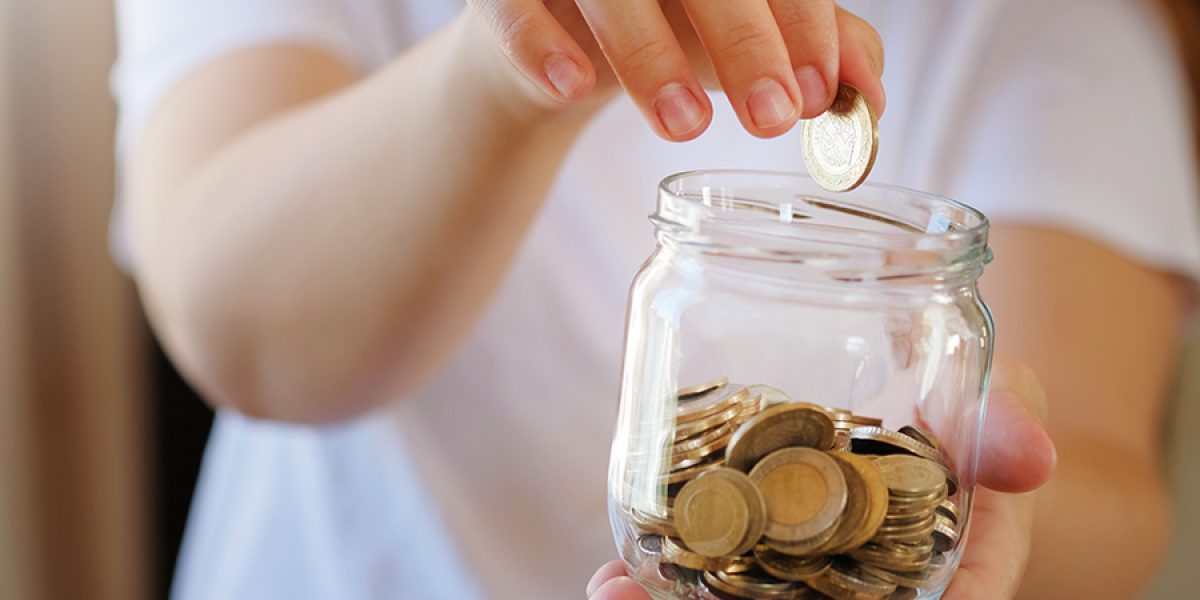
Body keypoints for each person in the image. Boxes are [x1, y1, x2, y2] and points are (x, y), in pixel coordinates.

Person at [111, 0, 1195, 598]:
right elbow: (240, 333)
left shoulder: (1054, 25)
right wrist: (511, 67)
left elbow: (1109, 486)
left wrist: (972, 516)